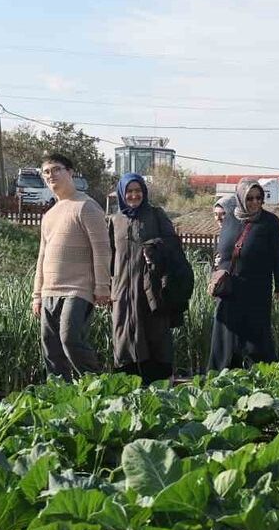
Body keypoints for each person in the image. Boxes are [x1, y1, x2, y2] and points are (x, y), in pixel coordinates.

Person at [31, 152, 113, 381]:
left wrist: (102, 286)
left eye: (57, 169)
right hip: (49, 291)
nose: (51, 175)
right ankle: (61, 394)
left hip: (78, 289)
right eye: (46, 172)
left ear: (70, 173)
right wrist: (37, 295)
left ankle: (97, 386)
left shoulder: (87, 206)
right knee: (51, 347)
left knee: (70, 339)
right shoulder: (49, 215)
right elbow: (42, 256)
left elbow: (102, 249)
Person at [208, 179, 279, 371]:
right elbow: (221, 249)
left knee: (256, 337)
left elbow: (278, 255)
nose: (254, 202)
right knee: (226, 335)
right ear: (241, 198)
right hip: (229, 289)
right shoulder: (230, 219)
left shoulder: (269, 222)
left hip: (256, 288)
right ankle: (221, 375)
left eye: (259, 198)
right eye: (250, 198)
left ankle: (261, 375)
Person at [109, 172, 181, 383]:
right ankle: (129, 387)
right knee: (124, 337)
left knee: (155, 336)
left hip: (151, 290)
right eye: (129, 191)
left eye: (138, 191)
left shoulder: (156, 215)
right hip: (122, 291)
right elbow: (110, 256)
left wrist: (155, 247)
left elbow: (173, 246)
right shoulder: (115, 220)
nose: (134, 195)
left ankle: (159, 389)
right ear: (122, 193)